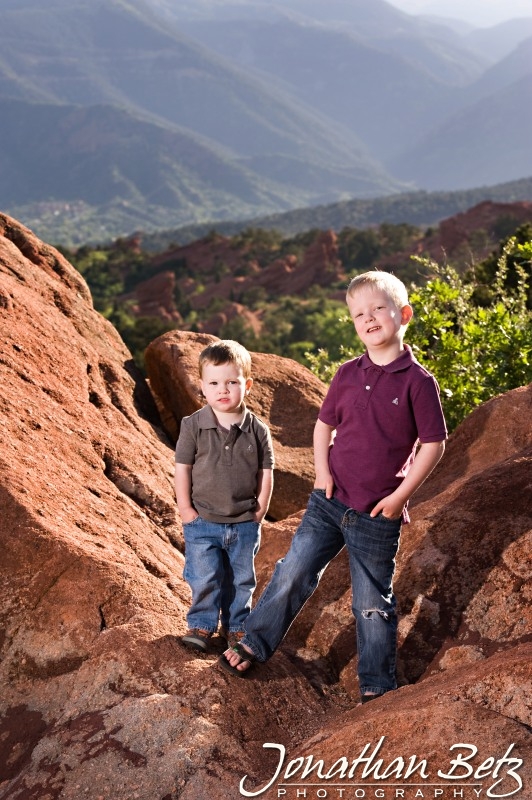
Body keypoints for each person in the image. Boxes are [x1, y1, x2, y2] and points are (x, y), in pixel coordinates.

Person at [219, 271, 447, 702]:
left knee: (371, 603)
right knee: (293, 571)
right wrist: (321, 474)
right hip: (328, 500)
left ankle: (377, 686)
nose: (369, 318)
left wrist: (400, 498)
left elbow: (434, 443)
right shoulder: (347, 373)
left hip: (377, 514)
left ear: (404, 314)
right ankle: (256, 641)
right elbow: (324, 426)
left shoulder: (418, 382)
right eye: (359, 314)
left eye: (378, 308)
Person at [175, 340, 274, 653]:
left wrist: (260, 510)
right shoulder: (192, 426)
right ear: (202, 386)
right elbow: (182, 468)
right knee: (204, 576)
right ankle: (202, 626)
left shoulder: (257, 429)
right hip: (202, 520)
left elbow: (266, 472)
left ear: (247, 385)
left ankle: (236, 628)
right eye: (214, 383)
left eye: (232, 382)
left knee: (241, 579)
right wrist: (186, 510)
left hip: (244, 522)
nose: (223, 390)